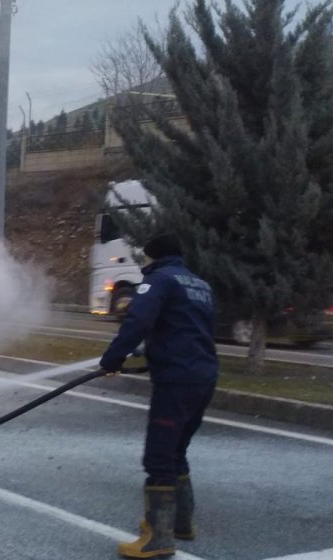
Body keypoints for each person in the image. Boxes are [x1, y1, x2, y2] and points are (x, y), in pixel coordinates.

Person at [99, 234, 218, 559]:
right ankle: (181, 524)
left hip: (176, 380)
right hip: (203, 375)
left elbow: (138, 319)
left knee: (158, 457)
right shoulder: (199, 284)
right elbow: (186, 328)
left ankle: (158, 538)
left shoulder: (159, 281)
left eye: (144, 260)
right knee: (177, 450)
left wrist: (113, 359)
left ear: (151, 257)